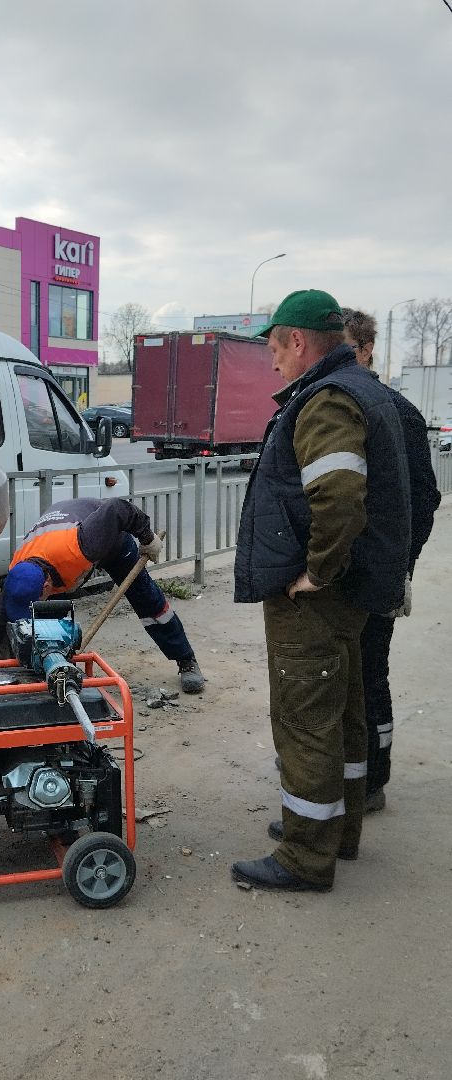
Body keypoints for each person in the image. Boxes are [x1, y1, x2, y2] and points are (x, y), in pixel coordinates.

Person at [231, 290, 410, 892]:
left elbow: (337, 497)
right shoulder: (364, 389)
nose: (273, 362)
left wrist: (319, 572)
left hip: (318, 599)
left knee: (306, 719)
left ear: (298, 341)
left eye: (275, 349)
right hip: (357, 592)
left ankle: (306, 857)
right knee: (345, 714)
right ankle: (341, 831)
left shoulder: (327, 400)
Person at [339, 309, 440, 811]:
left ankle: (372, 779)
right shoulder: (338, 403)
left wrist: (398, 565)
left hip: (376, 575)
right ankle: (338, 765)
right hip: (343, 574)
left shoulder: (397, 411)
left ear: (367, 350)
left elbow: (425, 498)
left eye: (348, 345)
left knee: (369, 673)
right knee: (336, 674)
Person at [0, 496, 205, 693]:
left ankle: (185, 659)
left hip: (107, 541)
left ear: (46, 586)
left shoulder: (83, 544)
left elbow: (117, 509)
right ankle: (48, 665)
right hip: (56, 547)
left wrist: (147, 538)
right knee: (41, 622)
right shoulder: (20, 574)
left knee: (145, 596)